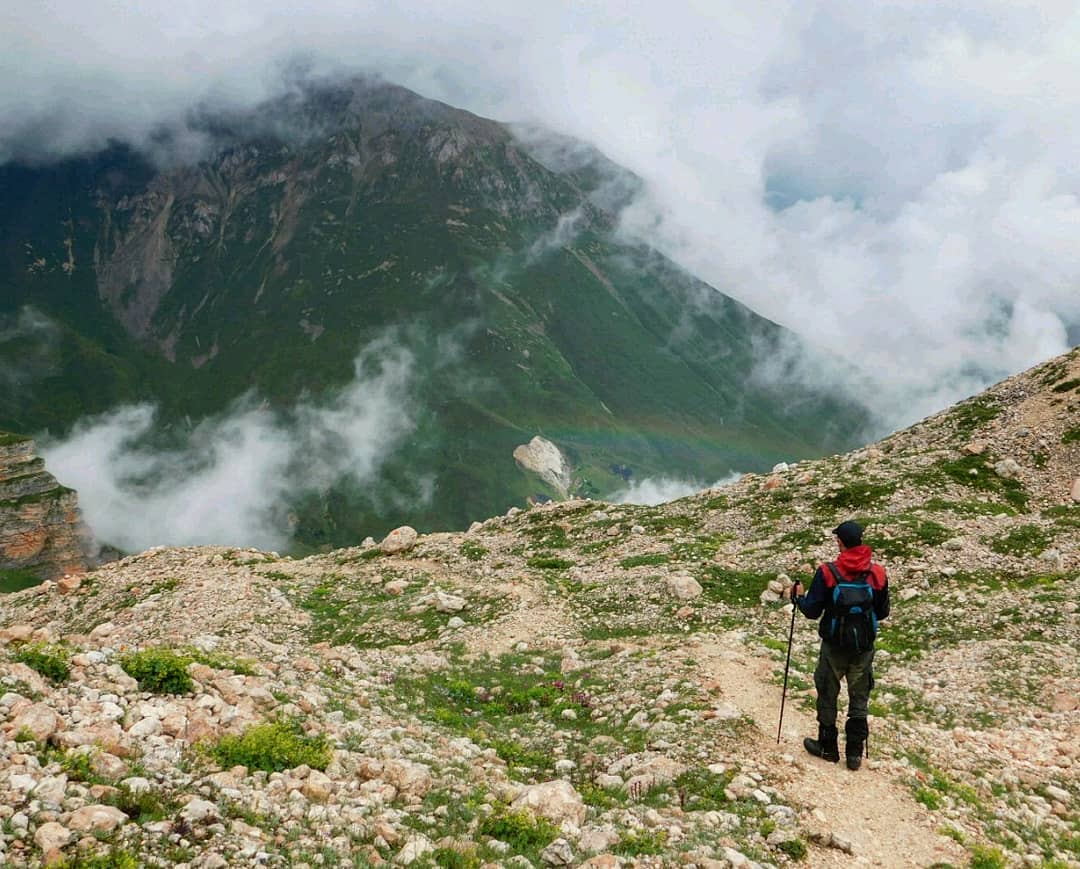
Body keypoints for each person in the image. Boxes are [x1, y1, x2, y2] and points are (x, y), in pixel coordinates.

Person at [789, 520, 890, 770]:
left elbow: (812, 611)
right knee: (859, 697)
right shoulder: (877, 573)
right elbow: (883, 611)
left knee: (827, 692)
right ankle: (854, 755)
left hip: (834, 646)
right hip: (863, 647)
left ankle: (827, 747)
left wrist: (799, 597)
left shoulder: (828, 572)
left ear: (840, 542)